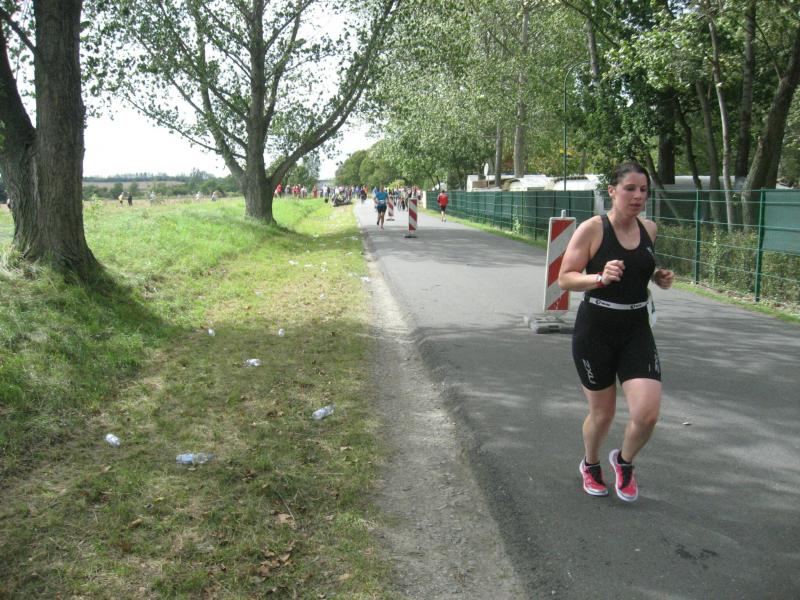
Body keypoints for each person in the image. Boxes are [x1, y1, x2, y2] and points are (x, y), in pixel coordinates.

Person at [557, 161, 674, 502]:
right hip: (596, 331)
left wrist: (657, 276)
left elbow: (641, 266)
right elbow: (565, 278)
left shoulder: (649, 228)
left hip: (636, 329)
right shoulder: (593, 229)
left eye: (643, 190)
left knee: (647, 414)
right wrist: (599, 277)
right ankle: (591, 463)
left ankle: (624, 461)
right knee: (603, 413)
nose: (638, 196)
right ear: (612, 191)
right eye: (630, 189)